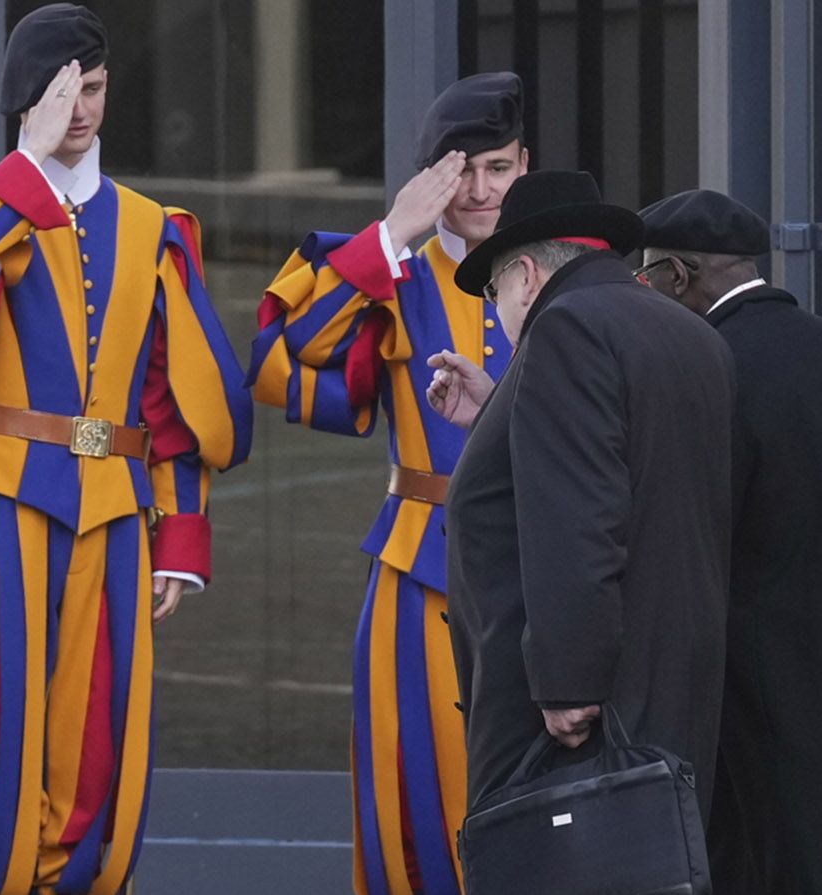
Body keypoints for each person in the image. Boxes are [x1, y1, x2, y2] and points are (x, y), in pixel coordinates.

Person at [0, 5, 253, 893]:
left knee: (97, 739)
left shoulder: (158, 229)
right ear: (24, 101)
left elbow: (175, 403)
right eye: (58, 91)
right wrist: (26, 168)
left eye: (94, 87)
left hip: (115, 512)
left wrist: (181, 541)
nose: (79, 107)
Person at [245, 71, 526, 894]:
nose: (478, 191)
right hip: (418, 567)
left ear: (524, 166)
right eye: (459, 170)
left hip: (544, 563)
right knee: (417, 798)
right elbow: (283, 354)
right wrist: (392, 234)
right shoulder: (390, 272)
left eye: (498, 170)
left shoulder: (565, 268)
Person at [636, 188, 822, 895]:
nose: (643, 293)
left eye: (646, 278)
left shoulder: (703, 364)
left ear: (679, 276)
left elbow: (690, 542)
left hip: (742, 700)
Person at [440, 170, 735, 820]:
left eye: (493, 291)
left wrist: (567, 679)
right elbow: (635, 474)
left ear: (525, 272)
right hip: (673, 691)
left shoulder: (564, 329)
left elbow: (576, 518)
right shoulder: (689, 333)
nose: (498, 311)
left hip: (578, 719)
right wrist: (499, 415)